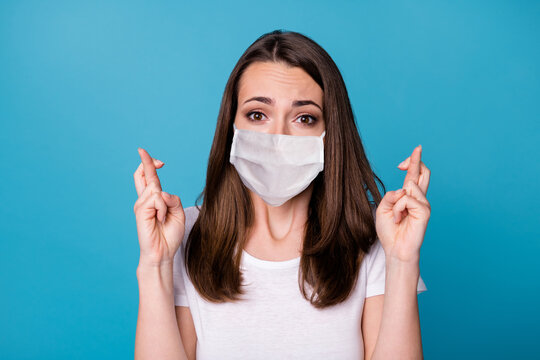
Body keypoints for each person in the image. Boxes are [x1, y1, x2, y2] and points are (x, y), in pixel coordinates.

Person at [133, 30, 431, 360]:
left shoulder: (371, 240)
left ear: (329, 134)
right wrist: (155, 263)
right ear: (232, 125)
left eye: (304, 118)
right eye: (257, 115)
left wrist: (402, 261)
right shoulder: (185, 236)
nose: (277, 137)